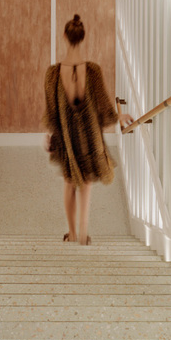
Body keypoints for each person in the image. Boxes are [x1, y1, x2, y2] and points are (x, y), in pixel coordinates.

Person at [42, 14, 133, 245]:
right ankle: (83, 234)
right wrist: (119, 117)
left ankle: (71, 233)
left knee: (69, 182)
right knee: (87, 183)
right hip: (89, 137)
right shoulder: (93, 70)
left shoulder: (53, 74)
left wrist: (50, 136)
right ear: (82, 38)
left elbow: (52, 112)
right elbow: (104, 106)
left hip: (66, 137)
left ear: (65, 36)